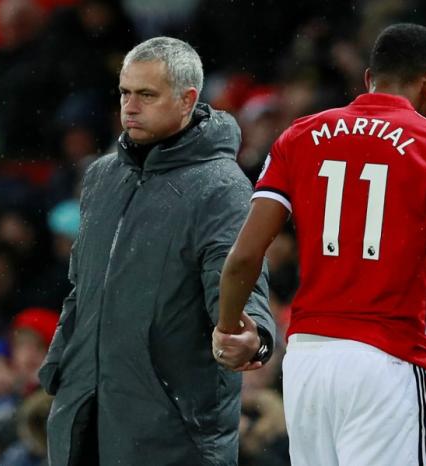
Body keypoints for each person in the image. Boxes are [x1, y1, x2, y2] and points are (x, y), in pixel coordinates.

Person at [215, 23, 426, 465]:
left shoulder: (300, 135)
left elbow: (244, 257)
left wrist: (227, 326)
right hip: (386, 361)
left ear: (369, 78)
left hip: (307, 363)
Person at [39, 37, 275, 466]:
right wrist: (60, 368)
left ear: (187, 100)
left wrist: (252, 337)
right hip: (83, 417)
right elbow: (81, 287)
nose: (130, 107)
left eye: (147, 95)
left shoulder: (221, 187)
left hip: (172, 432)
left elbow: (239, 283)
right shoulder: (101, 176)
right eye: (125, 92)